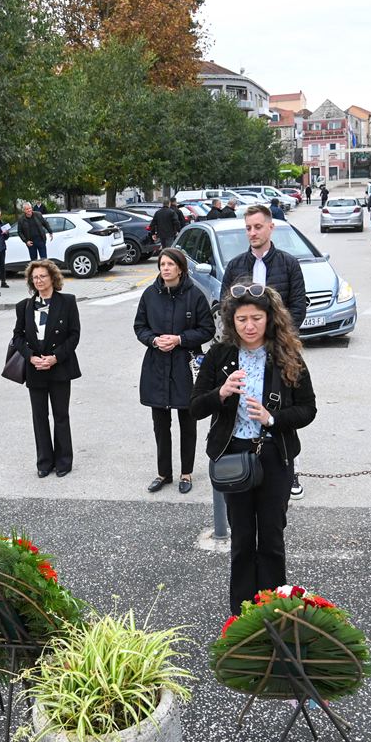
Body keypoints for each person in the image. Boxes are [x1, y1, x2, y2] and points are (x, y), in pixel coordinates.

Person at [191, 285, 317, 614]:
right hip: (234, 454)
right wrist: (221, 392)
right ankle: (243, 614)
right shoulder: (220, 354)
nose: (249, 326)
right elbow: (195, 406)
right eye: (242, 319)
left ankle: (274, 610)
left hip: (275, 454)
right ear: (231, 321)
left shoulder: (287, 354)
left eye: (256, 318)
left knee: (272, 537)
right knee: (243, 538)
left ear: (270, 318)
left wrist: (273, 418)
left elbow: (308, 409)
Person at [218, 204, 309, 499]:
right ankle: (243, 467)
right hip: (245, 349)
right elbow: (226, 307)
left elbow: (298, 305)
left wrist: (281, 339)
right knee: (244, 407)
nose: (252, 232)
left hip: (279, 349)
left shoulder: (288, 264)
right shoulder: (236, 266)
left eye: (258, 227)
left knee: (283, 409)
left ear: (271, 227)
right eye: (248, 228)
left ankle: (289, 469)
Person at [134, 247, 215, 495]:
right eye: (162, 264)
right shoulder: (150, 294)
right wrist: (153, 340)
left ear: (180, 268)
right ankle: (163, 473)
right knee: (160, 424)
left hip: (184, 365)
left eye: (170, 264)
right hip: (156, 365)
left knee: (187, 423)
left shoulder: (195, 295)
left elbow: (207, 329)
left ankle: (186, 473)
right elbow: (140, 326)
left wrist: (180, 339)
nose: (166, 268)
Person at [12, 260, 81, 478]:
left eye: (42, 276)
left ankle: (63, 461)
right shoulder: (24, 306)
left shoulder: (67, 302)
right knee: (39, 417)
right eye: (35, 277)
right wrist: (31, 357)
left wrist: (55, 358)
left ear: (52, 277)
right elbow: (17, 337)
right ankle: (44, 462)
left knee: (61, 416)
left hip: (59, 367)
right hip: (35, 369)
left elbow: (74, 335)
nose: (39, 280)